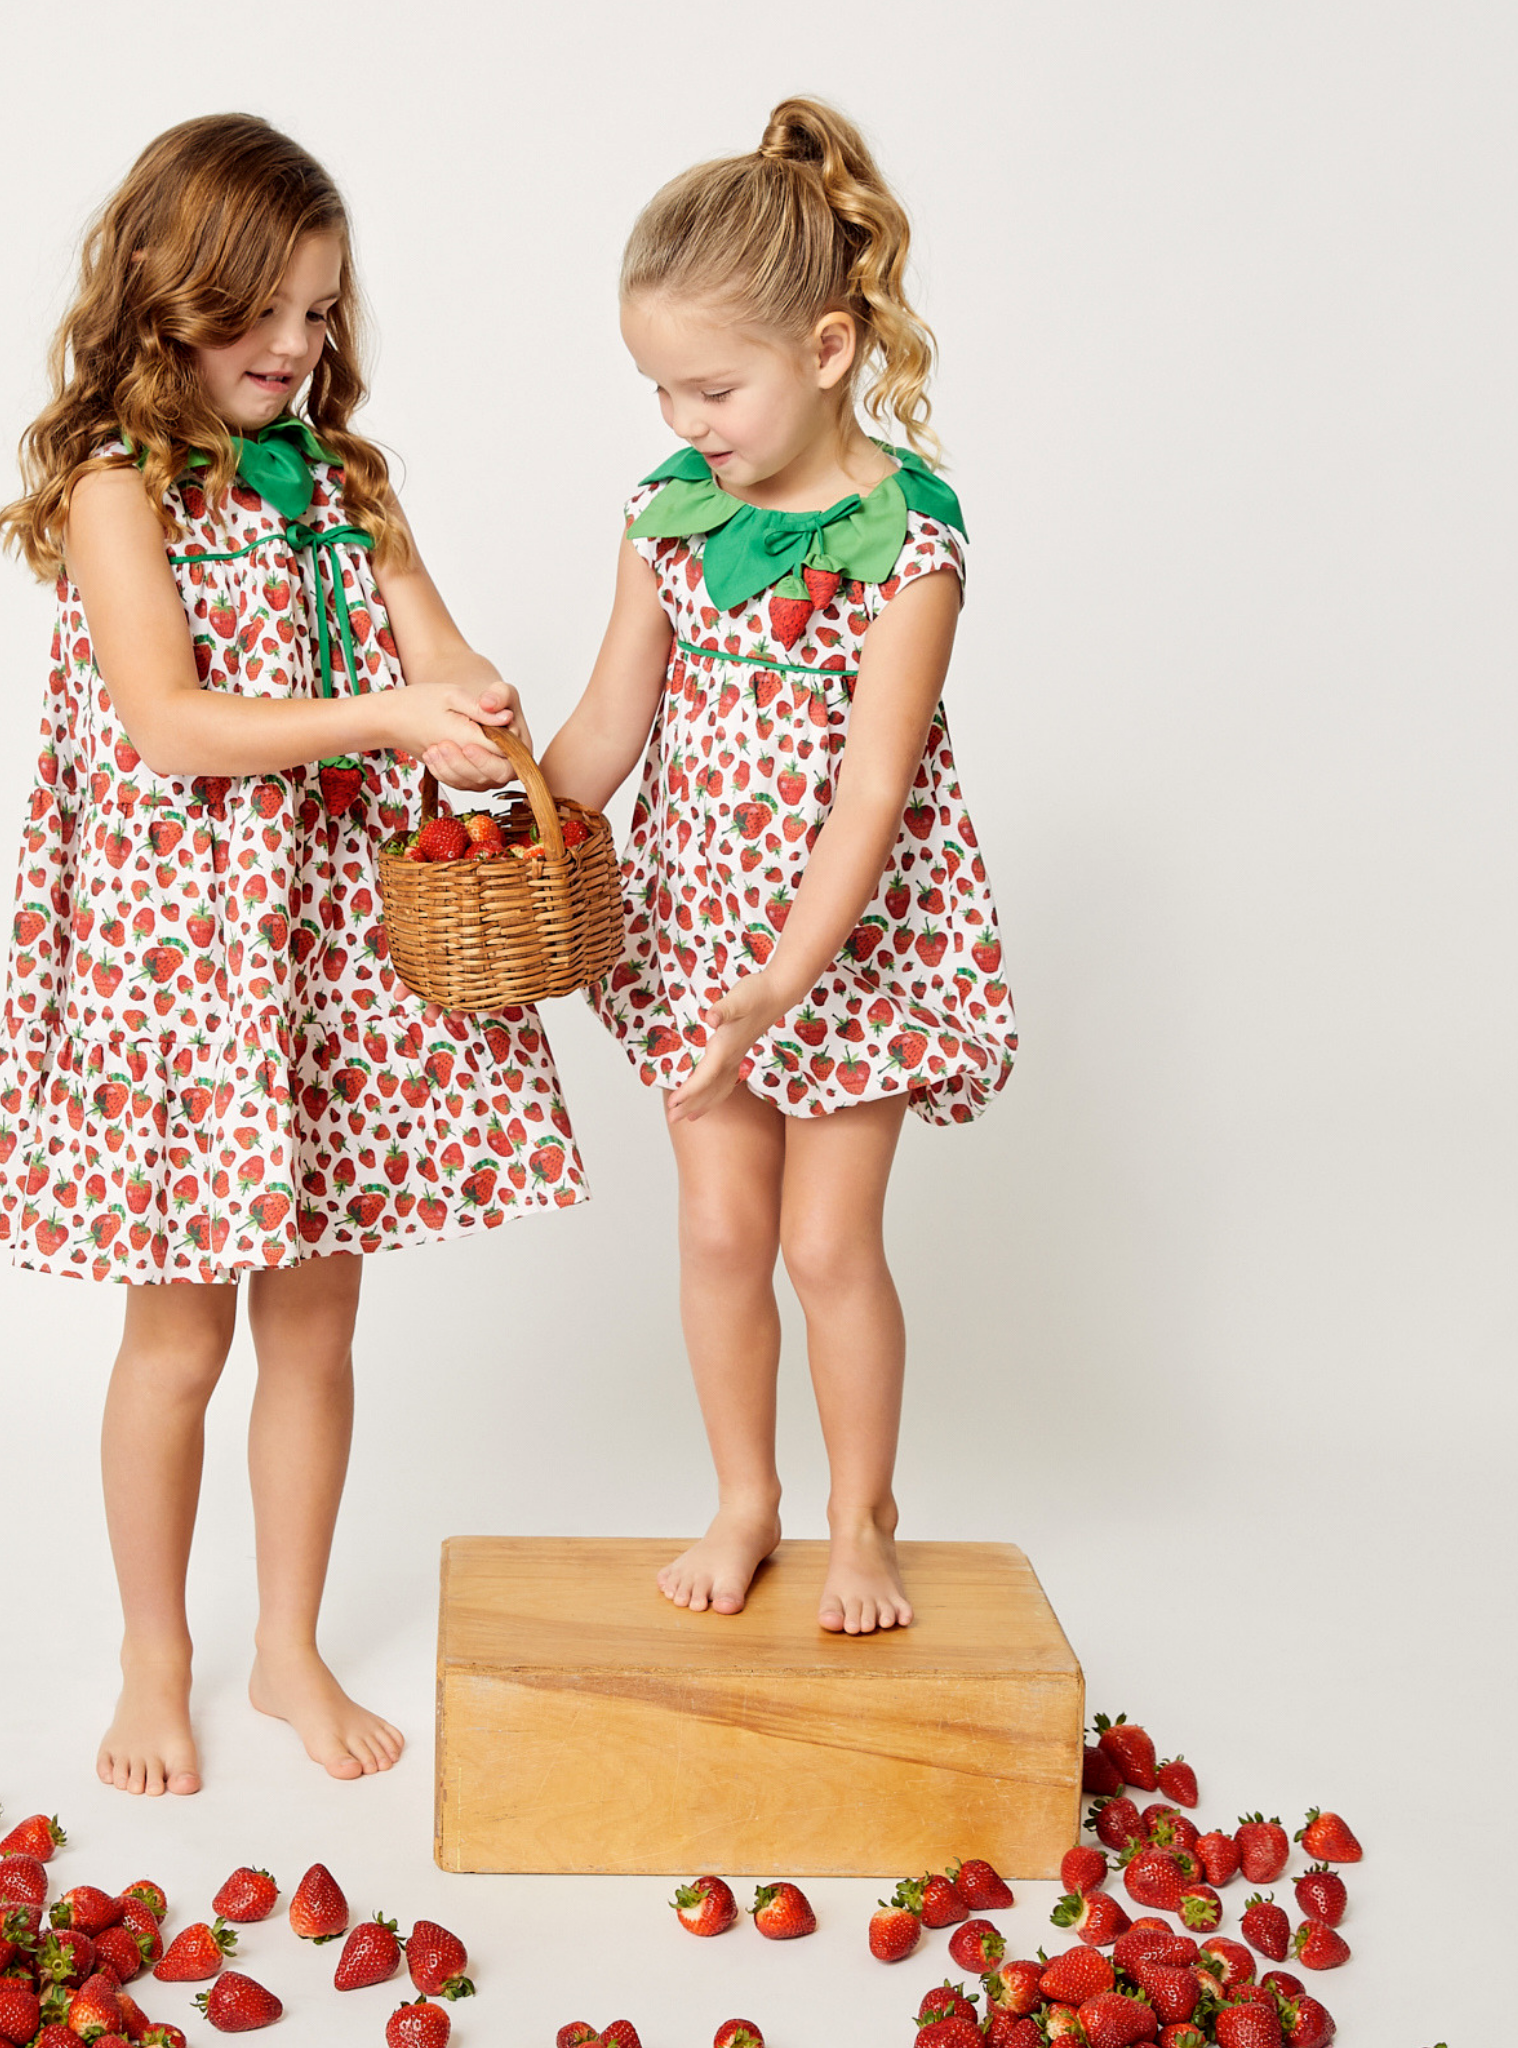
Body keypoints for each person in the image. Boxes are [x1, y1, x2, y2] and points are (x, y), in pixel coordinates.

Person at [0, 113, 584, 1791]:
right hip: (185, 968)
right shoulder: (120, 491)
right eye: (261, 313)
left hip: (331, 956)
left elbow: (442, 652)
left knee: (317, 1326)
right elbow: (171, 726)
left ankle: (288, 1650)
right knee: (178, 1339)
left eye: (321, 313)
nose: (295, 347)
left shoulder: (345, 484)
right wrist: (386, 710)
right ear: (165, 301)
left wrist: (472, 708)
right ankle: (154, 1658)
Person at [542, 96, 1014, 1636]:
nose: (686, 420)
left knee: (825, 1243)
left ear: (825, 351)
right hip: (697, 932)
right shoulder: (669, 516)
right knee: (721, 1230)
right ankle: (743, 1494)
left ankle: (859, 1511)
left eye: (712, 386)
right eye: (661, 389)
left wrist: (785, 980)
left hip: (844, 948)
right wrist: (515, 827)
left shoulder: (913, 536)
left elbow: (876, 793)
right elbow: (614, 720)